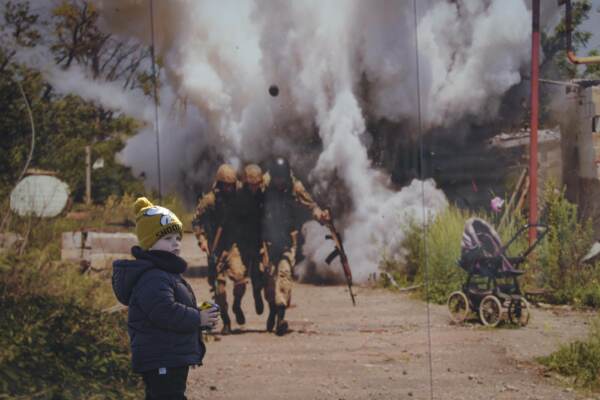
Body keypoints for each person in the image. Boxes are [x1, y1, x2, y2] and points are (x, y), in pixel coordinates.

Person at [112, 197, 219, 399]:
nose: (176, 244)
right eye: (168, 239)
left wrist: (202, 313)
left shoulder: (164, 273)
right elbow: (165, 311)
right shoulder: (153, 277)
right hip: (161, 358)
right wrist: (198, 318)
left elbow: (173, 307)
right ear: (150, 243)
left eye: (177, 238)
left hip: (169, 356)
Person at [262, 157, 330, 336]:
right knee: (269, 280)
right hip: (267, 239)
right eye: (276, 178)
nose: (279, 182)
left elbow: (311, 205)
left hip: (286, 238)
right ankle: (273, 310)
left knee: (284, 275)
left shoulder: (295, 187)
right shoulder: (264, 185)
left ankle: (281, 318)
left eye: (281, 178)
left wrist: (320, 215)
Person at [193, 164, 247, 334]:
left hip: (232, 246)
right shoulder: (209, 201)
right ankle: (226, 320)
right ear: (219, 184)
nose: (228, 188)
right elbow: (196, 222)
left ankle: (237, 305)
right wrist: (201, 240)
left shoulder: (240, 198)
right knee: (219, 289)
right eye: (225, 185)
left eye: (231, 185)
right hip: (214, 248)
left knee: (240, 278)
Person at [235, 164, 266, 315]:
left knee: (258, 276)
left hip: (258, 242)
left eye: (257, 184)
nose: (254, 187)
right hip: (243, 244)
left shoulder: (263, 196)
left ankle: (257, 296)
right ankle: (237, 304)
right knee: (240, 277)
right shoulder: (239, 197)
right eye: (251, 185)